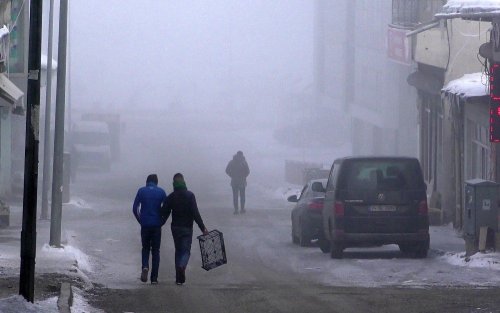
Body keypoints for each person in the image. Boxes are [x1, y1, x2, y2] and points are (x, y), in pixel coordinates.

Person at [161, 173, 208, 285]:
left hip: (175, 228)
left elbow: (163, 212)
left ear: (174, 183)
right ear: (184, 182)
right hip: (187, 227)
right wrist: (203, 228)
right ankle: (182, 266)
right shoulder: (190, 195)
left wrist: (159, 223)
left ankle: (178, 279)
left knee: (178, 251)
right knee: (186, 251)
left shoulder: (171, 196)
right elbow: (195, 213)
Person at [132, 174, 167, 285]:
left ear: (147, 181)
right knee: (156, 251)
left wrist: (140, 220)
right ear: (156, 182)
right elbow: (166, 208)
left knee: (145, 248)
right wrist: (162, 221)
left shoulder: (141, 191)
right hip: (157, 225)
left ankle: (145, 266)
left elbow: (135, 208)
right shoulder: (161, 192)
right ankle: (154, 278)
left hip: (145, 225)